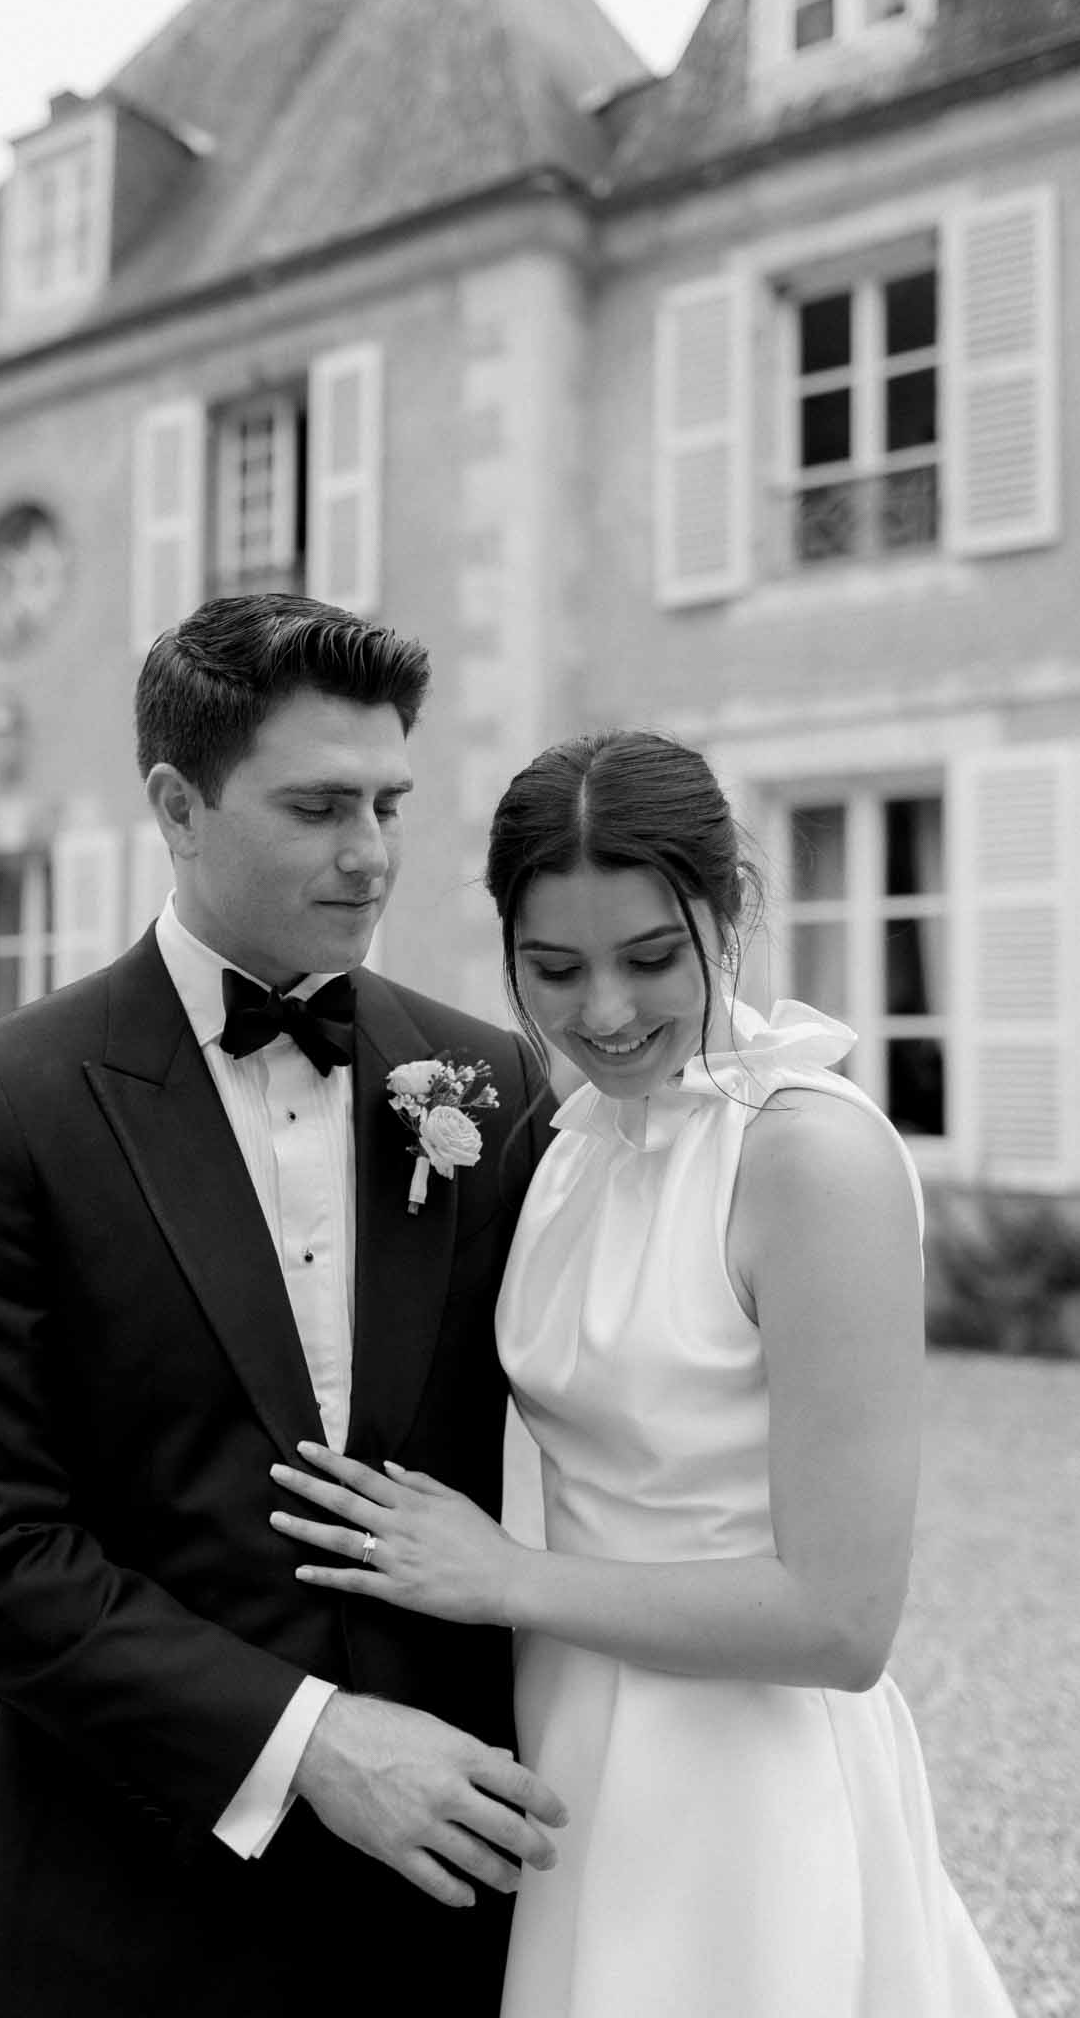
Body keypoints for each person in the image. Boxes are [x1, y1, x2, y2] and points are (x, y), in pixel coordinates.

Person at [0, 593, 567, 2018]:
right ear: (178, 807)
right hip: (114, 1884)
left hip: (437, 1899)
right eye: (315, 807)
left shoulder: (488, 1082)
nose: (369, 854)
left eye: (387, 802)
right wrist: (313, 1743)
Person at [270, 729, 1018, 2016]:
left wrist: (504, 1576)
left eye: (651, 958)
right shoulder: (567, 1140)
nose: (604, 1012)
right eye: (554, 969)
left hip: (748, 1780)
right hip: (572, 1748)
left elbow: (842, 1622)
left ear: (726, 910)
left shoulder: (806, 1160)